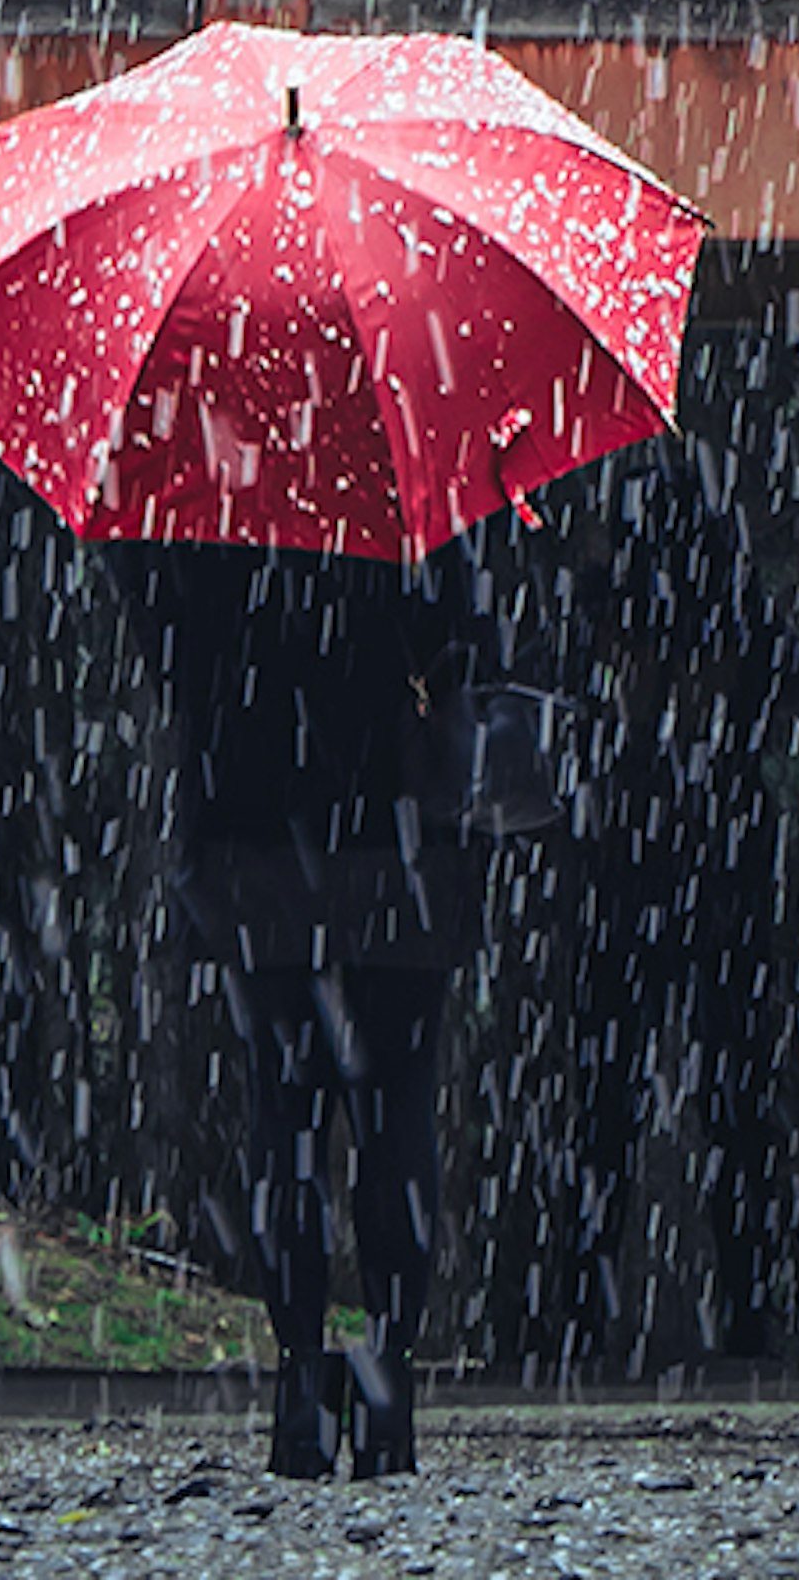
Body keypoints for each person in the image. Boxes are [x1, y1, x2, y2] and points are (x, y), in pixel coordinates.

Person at [123, 540, 492, 1482]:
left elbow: (171, 656)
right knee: (397, 1105)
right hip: (396, 845)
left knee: (284, 1109)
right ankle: (389, 1385)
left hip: (255, 841)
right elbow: (465, 655)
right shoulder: (414, 492)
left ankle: (298, 1387)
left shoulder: (205, 503)